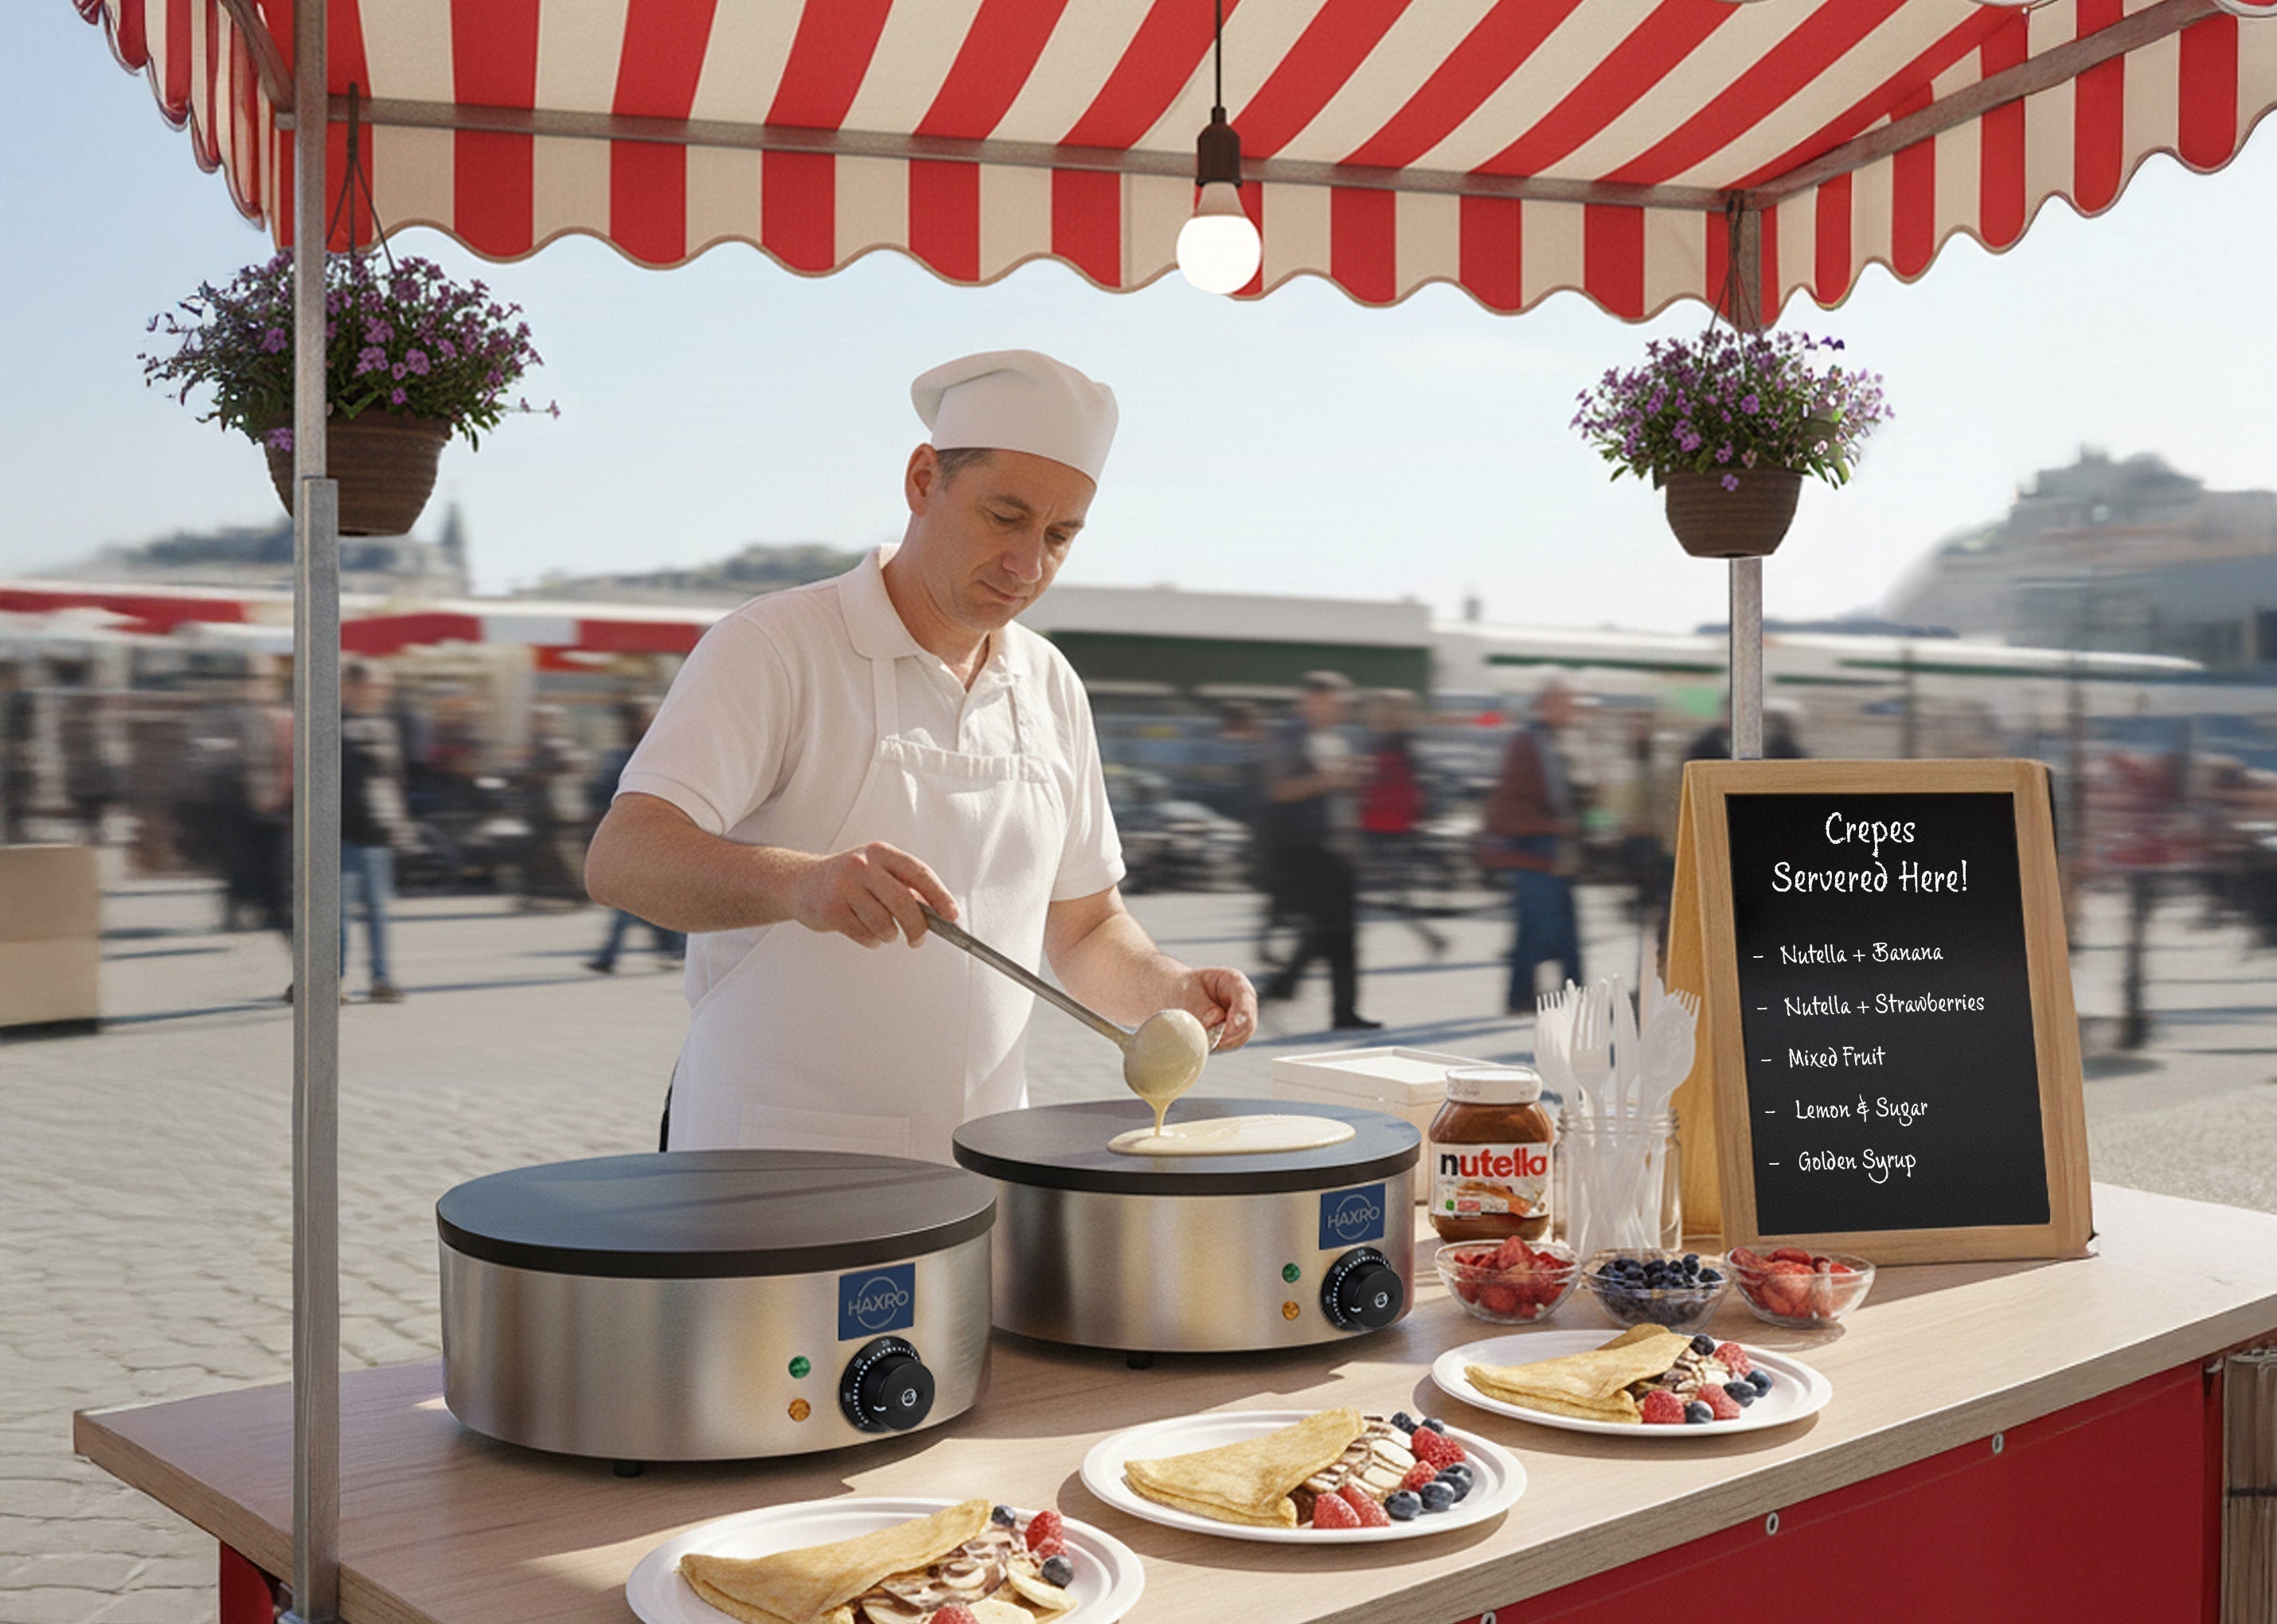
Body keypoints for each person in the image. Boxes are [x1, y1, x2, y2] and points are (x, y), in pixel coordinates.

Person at [585, 349, 1258, 1161]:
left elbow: (1083, 929)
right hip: (767, 1163)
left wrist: (1169, 989)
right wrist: (801, 883)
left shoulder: (1049, 684)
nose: (1027, 564)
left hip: (979, 1169)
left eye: (1060, 535)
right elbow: (623, 858)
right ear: (922, 480)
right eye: (1004, 518)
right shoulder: (774, 646)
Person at [1255, 671, 1380, 1031]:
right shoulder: (1289, 737)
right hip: (1303, 848)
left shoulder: (1335, 740)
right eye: (1334, 703)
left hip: (1337, 847)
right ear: (1311, 700)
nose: (1340, 710)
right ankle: (1283, 987)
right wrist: (1327, 781)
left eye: (1343, 704)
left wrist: (1351, 780)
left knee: (1344, 932)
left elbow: (1339, 787)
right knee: (1327, 926)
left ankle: (1344, 1011)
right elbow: (1278, 789)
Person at [1479, 681, 1584, 1014]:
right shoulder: (1528, 743)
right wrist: (1555, 826)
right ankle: (1559, 996)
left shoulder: (1557, 742)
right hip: (1534, 850)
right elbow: (1510, 808)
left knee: (1545, 931)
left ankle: (1533, 997)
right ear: (1545, 706)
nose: (1570, 709)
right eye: (1563, 703)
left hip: (1549, 847)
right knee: (1549, 931)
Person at [585, 701, 685, 973]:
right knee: (636, 900)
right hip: (627, 838)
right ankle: (673, 948)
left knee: (633, 901)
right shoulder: (619, 756)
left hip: (653, 838)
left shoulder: (660, 753)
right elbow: (602, 793)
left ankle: (611, 956)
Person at [339, 658, 414, 1003]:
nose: (381, 693)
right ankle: (334, 980)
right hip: (340, 834)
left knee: (378, 912)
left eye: (385, 687)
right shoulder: (334, 723)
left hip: (377, 835)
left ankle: (380, 979)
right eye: (374, 685)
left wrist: (399, 822)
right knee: (336, 913)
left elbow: (393, 779)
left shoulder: (386, 727)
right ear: (352, 687)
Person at [1357, 688, 1447, 958]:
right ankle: (1430, 937)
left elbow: (1409, 787)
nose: (1382, 714)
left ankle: (1430, 937)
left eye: (1390, 709)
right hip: (1379, 826)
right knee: (1383, 893)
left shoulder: (1401, 745)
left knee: (1389, 893)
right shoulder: (1383, 742)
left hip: (1388, 828)